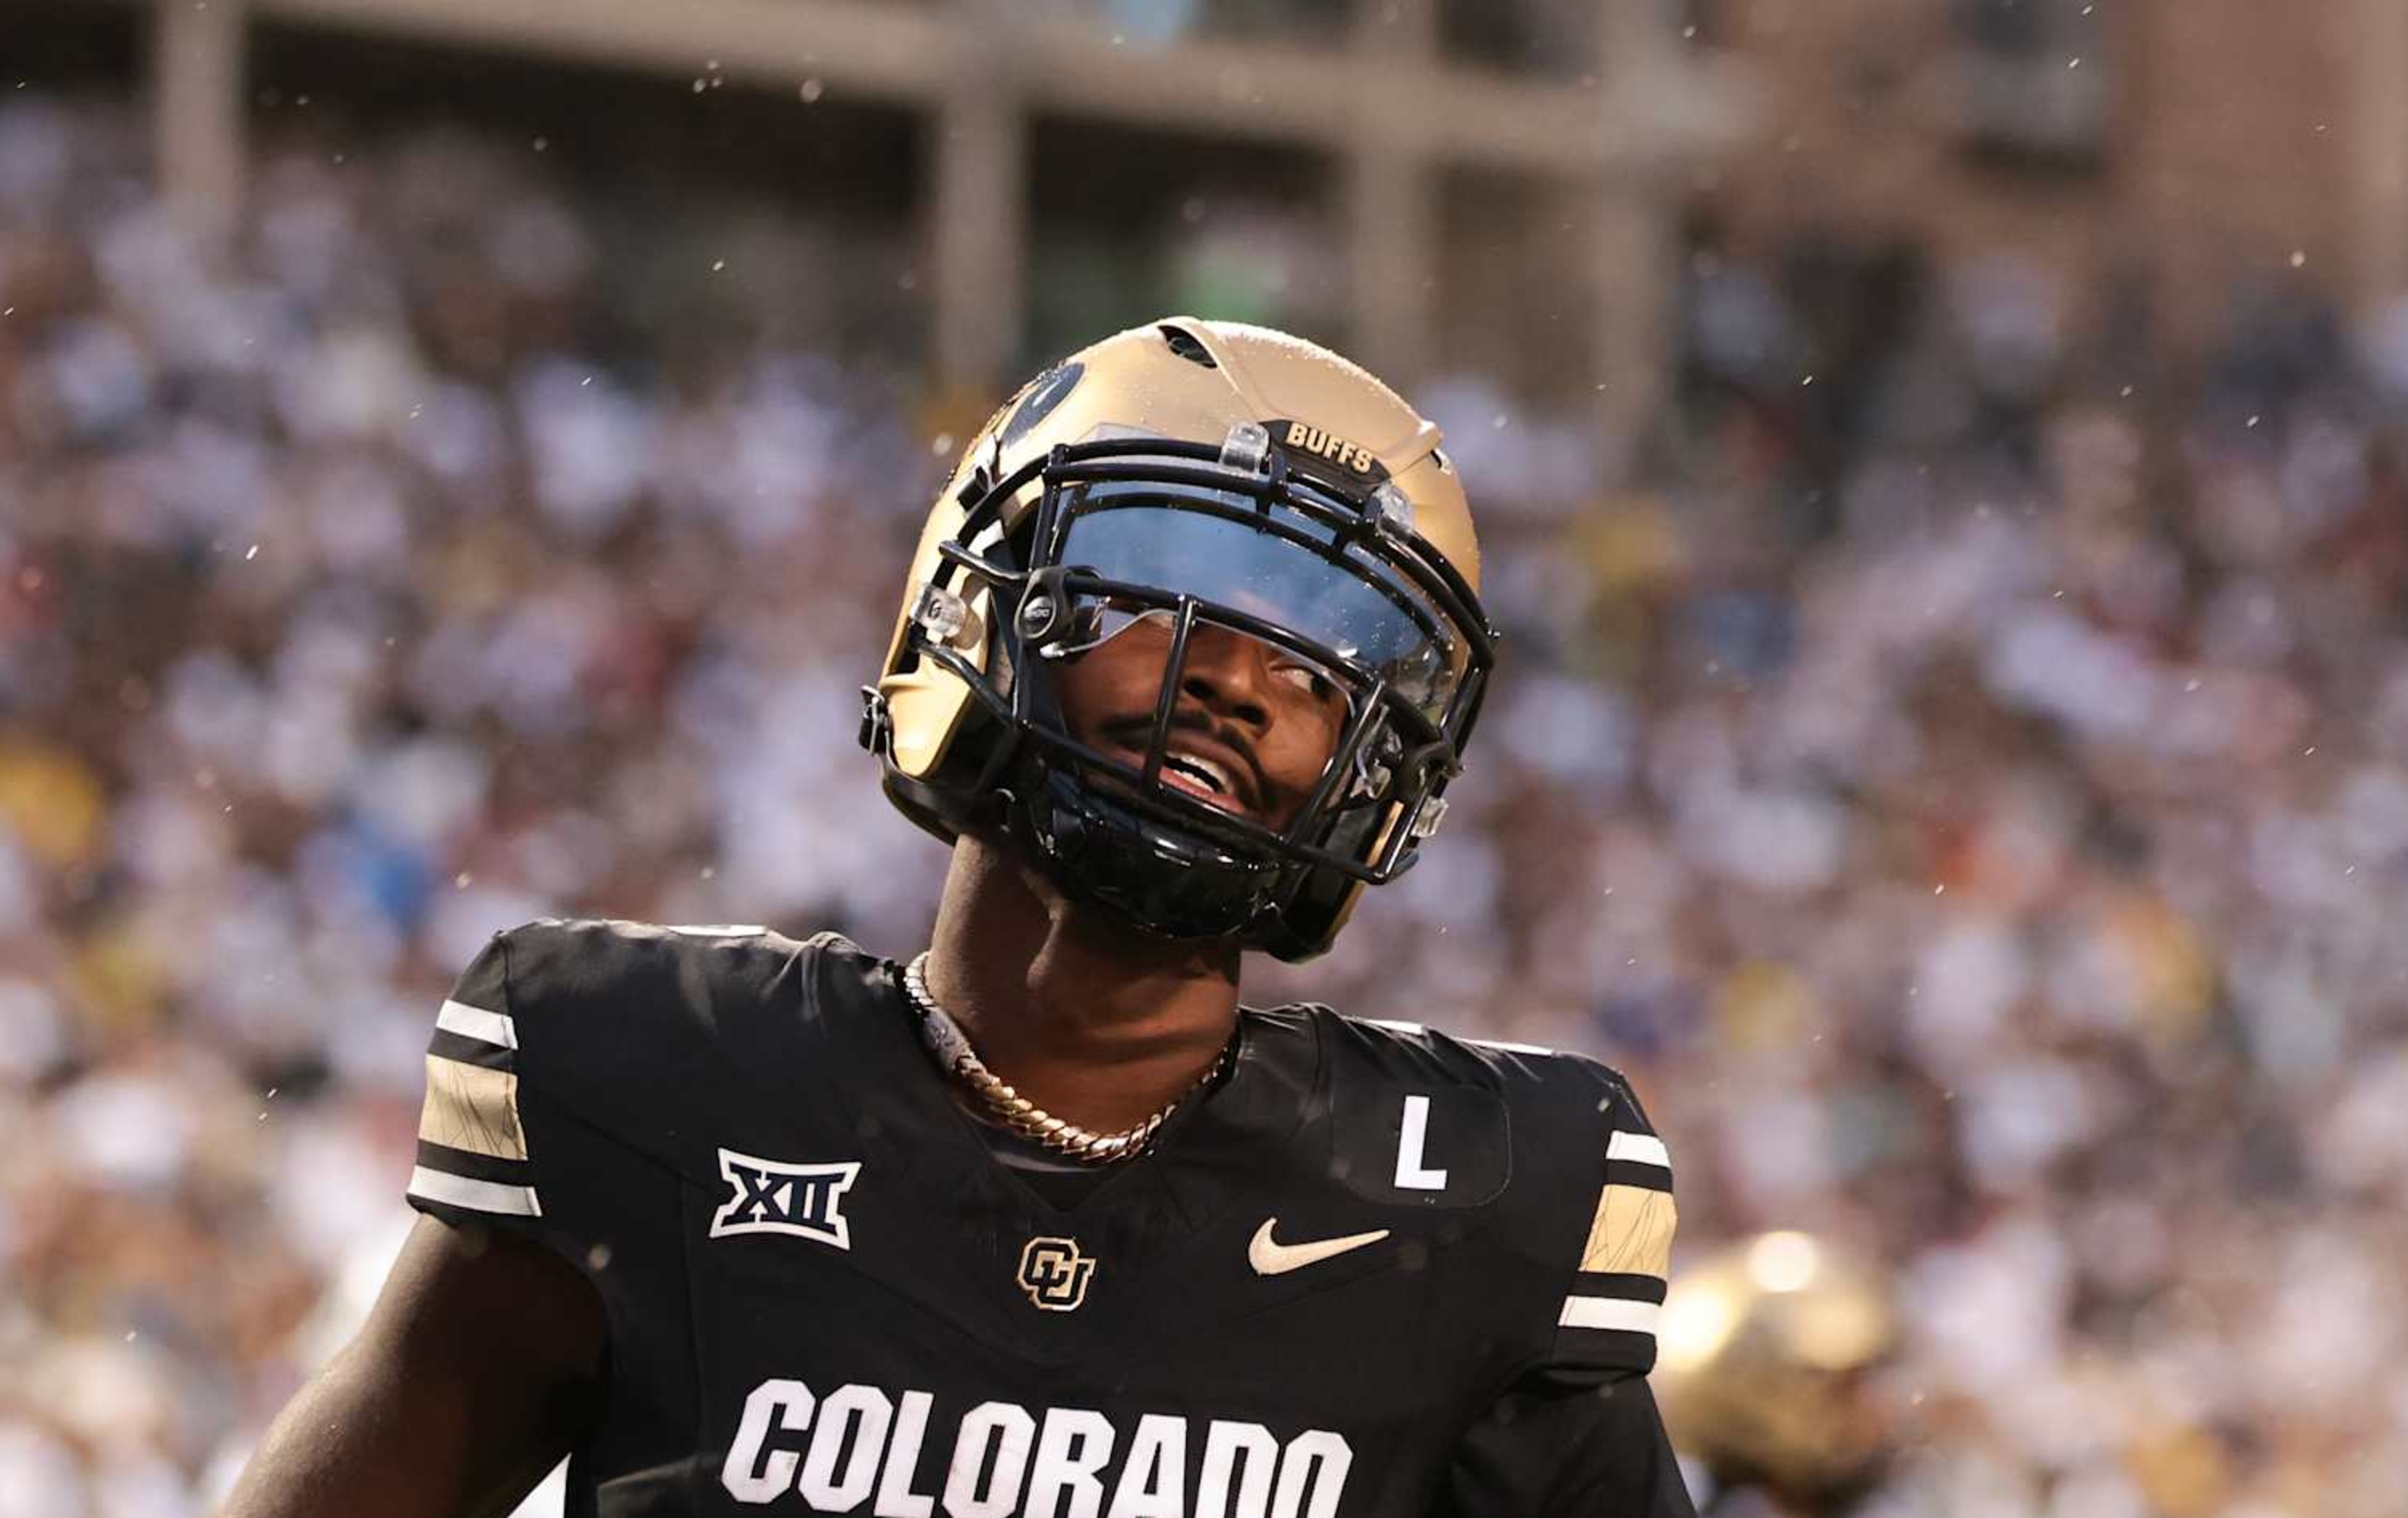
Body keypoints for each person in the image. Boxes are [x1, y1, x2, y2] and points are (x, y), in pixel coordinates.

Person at [219, 317, 1693, 1517]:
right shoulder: (647, 1082)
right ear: (985, 610)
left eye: (1316, 670)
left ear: (1378, 767)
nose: (1240, 680)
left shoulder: (1481, 1202)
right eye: (1171, 600)